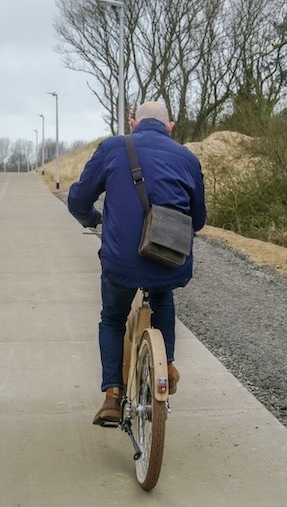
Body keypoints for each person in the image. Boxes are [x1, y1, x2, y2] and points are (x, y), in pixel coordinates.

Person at [67, 101, 207, 425]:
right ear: (169, 126)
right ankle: (167, 364)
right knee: (162, 295)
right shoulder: (188, 158)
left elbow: (77, 199)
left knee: (113, 319)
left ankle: (112, 396)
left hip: (121, 262)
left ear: (133, 123)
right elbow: (198, 220)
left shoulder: (114, 148)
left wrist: (93, 219)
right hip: (170, 259)